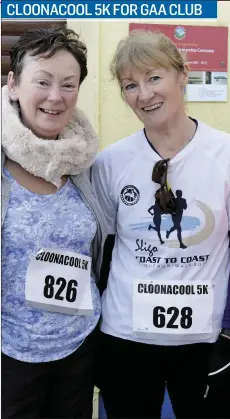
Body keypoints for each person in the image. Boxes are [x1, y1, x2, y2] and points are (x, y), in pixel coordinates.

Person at [92, 30, 230, 418]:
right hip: (126, 339)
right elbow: (101, 255)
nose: (144, 94)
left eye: (154, 78)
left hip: (203, 340)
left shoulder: (229, 153)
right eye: (130, 85)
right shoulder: (111, 162)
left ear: (182, 74)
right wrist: (96, 340)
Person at [1, 27, 107, 418]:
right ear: (13, 85)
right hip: (9, 355)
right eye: (42, 82)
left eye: (68, 84)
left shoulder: (85, 164)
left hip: (77, 348)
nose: (55, 96)